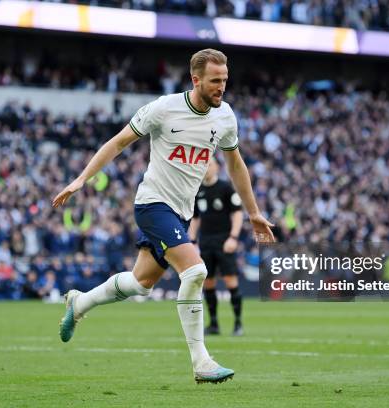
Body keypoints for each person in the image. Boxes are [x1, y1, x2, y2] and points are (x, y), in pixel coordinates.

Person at [52, 48, 275, 384]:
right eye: (215, 81)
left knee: (140, 284)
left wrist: (254, 212)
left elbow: (235, 163)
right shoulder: (163, 109)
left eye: (225, 81)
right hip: (154, 205)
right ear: (195, 80)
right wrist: (83, 178)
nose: (221, 87)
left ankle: (80, 302)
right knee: (197, 271)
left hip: (181, 212)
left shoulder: (225, 116)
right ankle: (202, 362)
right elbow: (119, 142)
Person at [189, 157, 244, 336]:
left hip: (224, 241)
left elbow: (237, 214)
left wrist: (233, 237)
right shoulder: (198, 191)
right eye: (203, 165)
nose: (206, 169)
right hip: (205, 242)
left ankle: (238, 323)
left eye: (209, 165)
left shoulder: (225, 188)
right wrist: (192, 241)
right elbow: (195, 218)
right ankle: (213, 324)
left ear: (217, 167)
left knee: (230, 281)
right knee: (208, 283)